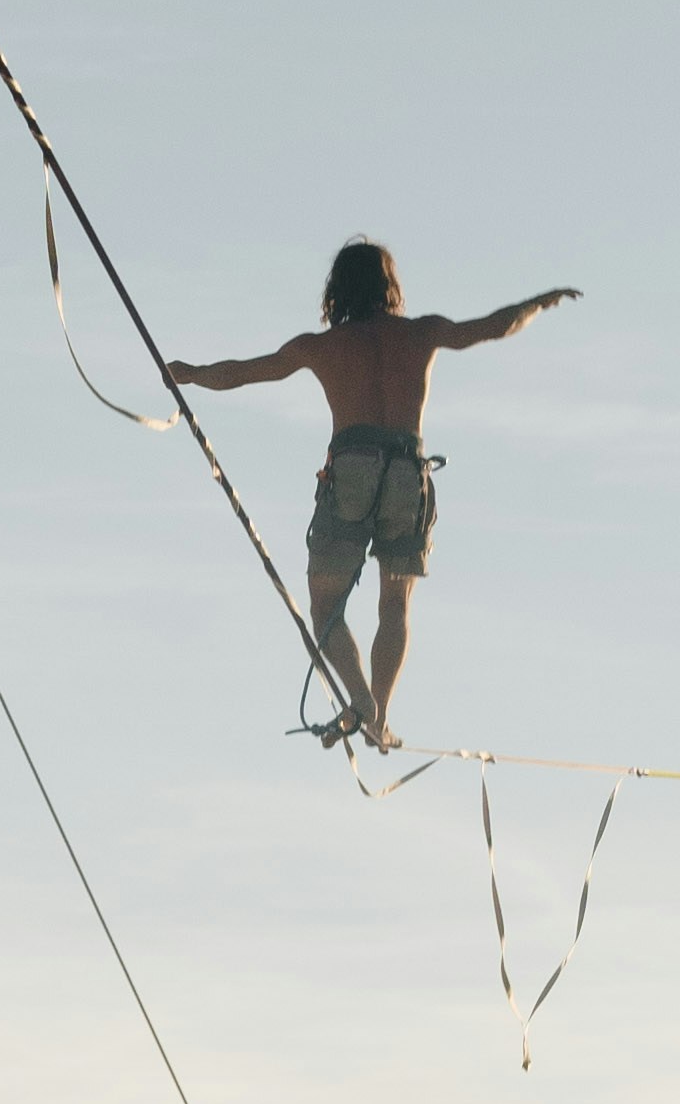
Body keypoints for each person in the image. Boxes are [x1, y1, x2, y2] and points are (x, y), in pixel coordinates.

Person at [166, 238, 570, 751]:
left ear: (336, 290)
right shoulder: (423, 333)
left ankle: (361, 701)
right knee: (395, 605)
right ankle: (378, 717)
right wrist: (539, 303)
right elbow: (493, 326)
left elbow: (247, 372)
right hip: (407, 472)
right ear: (389, 286)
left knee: (324, 604)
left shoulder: (323, 347)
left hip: (352, 470)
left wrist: (189, 375)